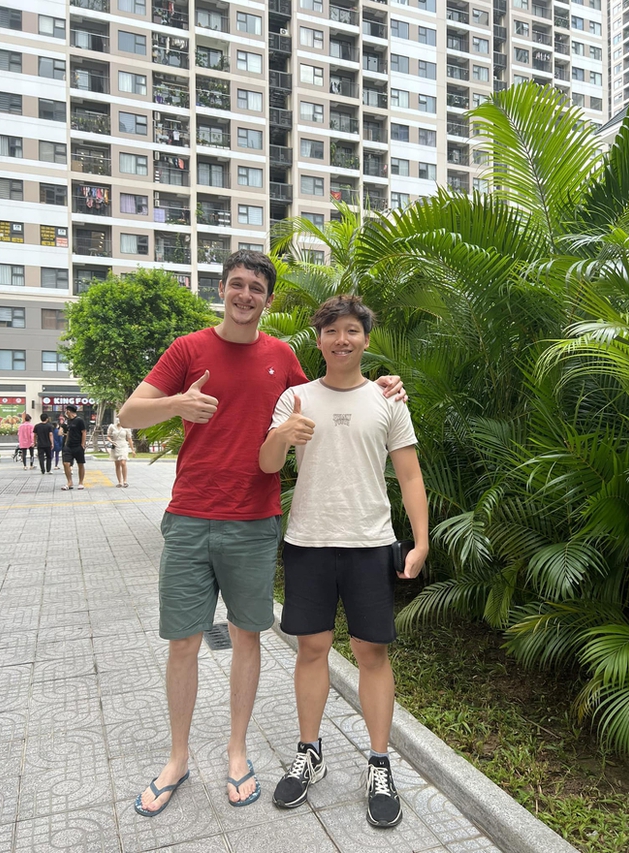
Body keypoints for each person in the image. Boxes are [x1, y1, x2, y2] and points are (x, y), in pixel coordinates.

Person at [118, 250, 405, 817]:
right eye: (236, 285)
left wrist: (384, 385)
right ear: (221, 289)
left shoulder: (280, 356)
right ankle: (177, 759)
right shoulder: (188, 349)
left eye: (256, 288)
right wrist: (180, 403)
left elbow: (333, 387)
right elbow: (130, 414)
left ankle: (237, 753)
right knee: (183, 642)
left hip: (254, 522)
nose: (245, 295)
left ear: (268, 300)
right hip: (190, 517)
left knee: (248, 637)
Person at [259, 295, 429, 829]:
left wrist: (420, 542)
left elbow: (410, 476)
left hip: (370, 544)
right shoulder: (294, 397)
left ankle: (379, 762)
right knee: (311, 649)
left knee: (371, 653)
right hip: (308, 542)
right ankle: (310, 750)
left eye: (351, 331)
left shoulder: (388, 400)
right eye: (331, 331)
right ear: (318, 339)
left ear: (365, 339)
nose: (341, 340)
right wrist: (282, 435)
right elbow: (266, 464)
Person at [61, 405, 87, 491]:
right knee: (66, 463)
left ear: (68, 411)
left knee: (80, 464)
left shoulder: (79, 420)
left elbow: (83, 432)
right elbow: (68, 432)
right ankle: (69, 482)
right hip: (68, 446)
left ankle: (80, 482)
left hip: (78, 445)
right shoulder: (68, 421)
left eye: (66, 411)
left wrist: (82, 444)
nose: (66, 413)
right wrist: (66, 443)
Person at [107, 417, 136, 487]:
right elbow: (108, 436)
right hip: (115, 446)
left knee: (123, 463)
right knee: (117, 464)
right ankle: (120, 481)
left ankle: (125, 481)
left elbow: (129, 439)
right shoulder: (112, 427)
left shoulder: (126, 427)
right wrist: (111, 441)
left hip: (123, 446)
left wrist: (132, 450)